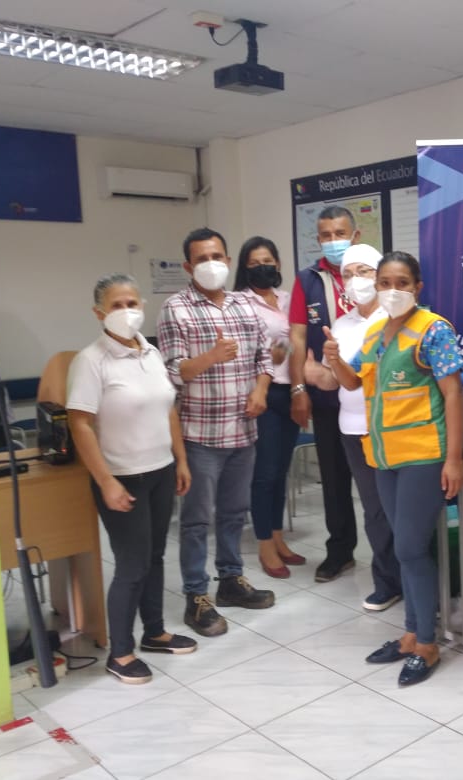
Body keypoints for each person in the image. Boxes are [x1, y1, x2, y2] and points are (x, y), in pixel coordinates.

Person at [324, 251, 463, 686]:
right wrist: (334, 358)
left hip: (424, 456)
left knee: (410, 548)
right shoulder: (376, 331)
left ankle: (427, 643)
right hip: (383, 457)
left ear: (417, 287)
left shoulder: (434, 330)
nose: (391, 290)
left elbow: (453, 395)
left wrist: (454, 459)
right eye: (384, 282)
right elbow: (353, 382)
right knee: (402, 547)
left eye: (401, 283)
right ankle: (410, 635)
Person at [67, 273, 196, 684]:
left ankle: (154, 632)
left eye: (132, 304)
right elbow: (80, 424)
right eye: (117, 305)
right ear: (99, 313)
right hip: (123, 477)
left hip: (160, 470)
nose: (127, 312)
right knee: (132, 564)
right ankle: (120, 652)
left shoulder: (151, 352)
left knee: (155, 557)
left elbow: (168, 409)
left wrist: (180, 460)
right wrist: (106, 481)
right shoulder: (91, 361)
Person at [157, 227, 276, 639]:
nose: (211, 264)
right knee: (195, 521)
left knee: (234, 513)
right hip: (200, 434)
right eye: (201, 259)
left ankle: (230, 580)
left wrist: (261, 390)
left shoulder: (245, 304)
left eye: (217, 257)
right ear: (188, 266)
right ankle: (196, 595)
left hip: (243, 430)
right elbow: (172, 372)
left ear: (228, 261)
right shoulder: (176, 309)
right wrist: (211, 356)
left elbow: (264, 357)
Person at [322, 244, 401, 611]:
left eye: (363, 271)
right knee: (374, 509)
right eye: (347, 274)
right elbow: (342, 380)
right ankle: (387, 582)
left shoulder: (393, 318)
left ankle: (411, 580)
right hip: (351, 427)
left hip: (389, 427)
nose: (355, 280)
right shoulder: (342, 324)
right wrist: (325, 366)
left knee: (397, 509)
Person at [289, 205, 361, 583]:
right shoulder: (308, 279)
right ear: (318, 239)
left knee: (381, 481)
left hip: (371, 398)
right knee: (333, 479)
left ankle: (394, 557)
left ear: (355, 235)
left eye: (340, 233)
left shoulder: (372, 273)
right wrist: (299, 387)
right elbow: (297, 337)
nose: (334, 241)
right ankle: (340, 551)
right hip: (327, 397)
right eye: (326, 235)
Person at [233, 236, 306, 578]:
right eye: (254, 263)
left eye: (268, 261)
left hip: (290, 390)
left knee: (280, 471)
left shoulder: (289, 299)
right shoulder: (239, 302)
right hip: (260, 392)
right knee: (264, 473)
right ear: (244, 268)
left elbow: (296, 341)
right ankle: (264, 543)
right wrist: (268, 357)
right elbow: (239, 349)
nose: (262, 267)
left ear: (277, 263)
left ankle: (278, 537)